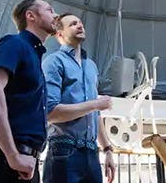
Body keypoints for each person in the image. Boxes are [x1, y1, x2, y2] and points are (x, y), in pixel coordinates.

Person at [0, 0, 58, 183]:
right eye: (50, 10)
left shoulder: (35, 57)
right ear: (31, 16)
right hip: (3, 162)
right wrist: (12, 154)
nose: (56, 15)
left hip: (24, 164)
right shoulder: (14, 43)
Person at [42, 13, 117, 183]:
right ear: (59, 35)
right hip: (63, 150)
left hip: (92, 154)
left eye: (81, 23)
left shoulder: (91, 66)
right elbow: (51, 112)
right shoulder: (53, 62)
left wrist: (107, 149)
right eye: (73, 24)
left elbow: (94, 115)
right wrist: (95, 104)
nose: (80, 25)